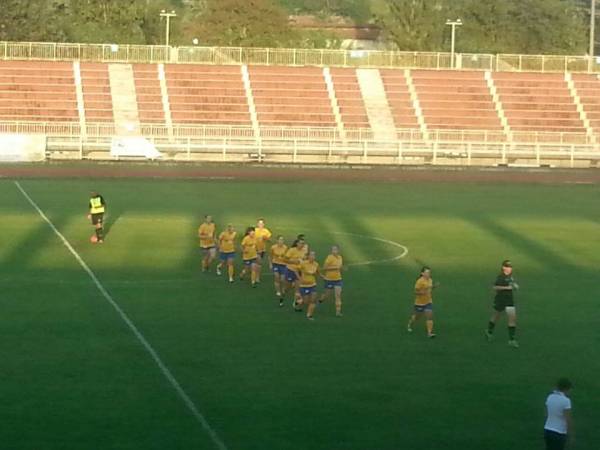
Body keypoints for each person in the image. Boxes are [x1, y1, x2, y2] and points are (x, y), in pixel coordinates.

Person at [485, 260, 520, 348]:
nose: (509, 268)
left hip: (509, 300)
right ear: (503, 267)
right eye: (507, 267)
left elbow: (512, 283)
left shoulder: (510, 276)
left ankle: (511, 340)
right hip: (500, 300)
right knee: (496, 316)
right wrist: (507, 288)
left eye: (510, 267)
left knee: (512, 318)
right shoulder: (501, 277)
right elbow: (495, 287)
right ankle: (489, 331)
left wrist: (515, 286)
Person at [407, 266, 439, 338]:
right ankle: (410, 324)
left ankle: (429, 333)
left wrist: (434, 286)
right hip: (419, 303)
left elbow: (430, 289)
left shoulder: (430, 280)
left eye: (429, 272)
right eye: (427, 272)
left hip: (428, 302)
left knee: (429, 316)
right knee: (416, 317)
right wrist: (423, 293)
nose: (428, 274)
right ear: (422, 273)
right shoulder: (419, 281)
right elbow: (416, 292)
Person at [544, 378, 573, 450]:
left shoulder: (550, 397)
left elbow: (546, 414)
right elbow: (568, 419)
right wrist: (570, 435)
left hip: (548, 430)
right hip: (559, 432)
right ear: (566, 389)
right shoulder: (566, 401)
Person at [319, 245, 344, 317]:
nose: (334, 251)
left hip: (338, 279)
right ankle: (320, 300)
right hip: (329, 280)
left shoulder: (340, 257)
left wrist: (341, 269)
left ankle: (338, 312)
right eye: (333, 249)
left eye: (335, 249)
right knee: (327, 295)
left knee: (338, 295)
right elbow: (324, 268)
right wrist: (335, 268)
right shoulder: (329, 257)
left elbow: (340, 267)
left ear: (338, 250)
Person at [284, 237, 307, 307]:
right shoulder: (292, 250)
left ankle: (295, 303)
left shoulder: (304, 251)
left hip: (299, 271)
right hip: (290, 270)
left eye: (303, 243)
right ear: (297, 243)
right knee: (288, 287)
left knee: (298, 289)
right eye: (301, 243)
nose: (302, 245)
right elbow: (285, 260)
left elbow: (304, 259)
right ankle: (284, 292)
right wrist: (294, 261)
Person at [298, 250, 320, 320]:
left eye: (314, 255)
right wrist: (300, 278)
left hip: (312, 285)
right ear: (308, 256)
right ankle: (299, 302)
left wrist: (321, 277)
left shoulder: (316, 264)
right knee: (306, 301)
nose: (313, 256)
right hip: (304, 286)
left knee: (313, 300)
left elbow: (317, 272)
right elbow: (298, 270)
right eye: (311, 255)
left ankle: (309, 315)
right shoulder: (303, 264)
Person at [269, 235, 288, 305]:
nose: (281, 241)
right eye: (280, 240)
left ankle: (283, 289)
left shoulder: (285, 247)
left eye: (282, 240)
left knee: (283, 279)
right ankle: (278, 291)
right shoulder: (273, 247)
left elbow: (287, 257)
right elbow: (270, 256)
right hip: (276, 264)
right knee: (277, 277)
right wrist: (270, 264)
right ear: (277, 241)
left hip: (283, 265)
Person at [254, 218, 272, 283]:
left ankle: (255, 276)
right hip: (255, 249)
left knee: (258, 264)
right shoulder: (254, 230)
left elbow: (269, 240)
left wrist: (266, 238)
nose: (260, 225)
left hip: (262, 250)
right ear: (257, 224)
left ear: (264, 224)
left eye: (262, 223)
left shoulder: (266, 231)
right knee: (258, 263)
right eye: (259, 223)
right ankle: (256, 277)